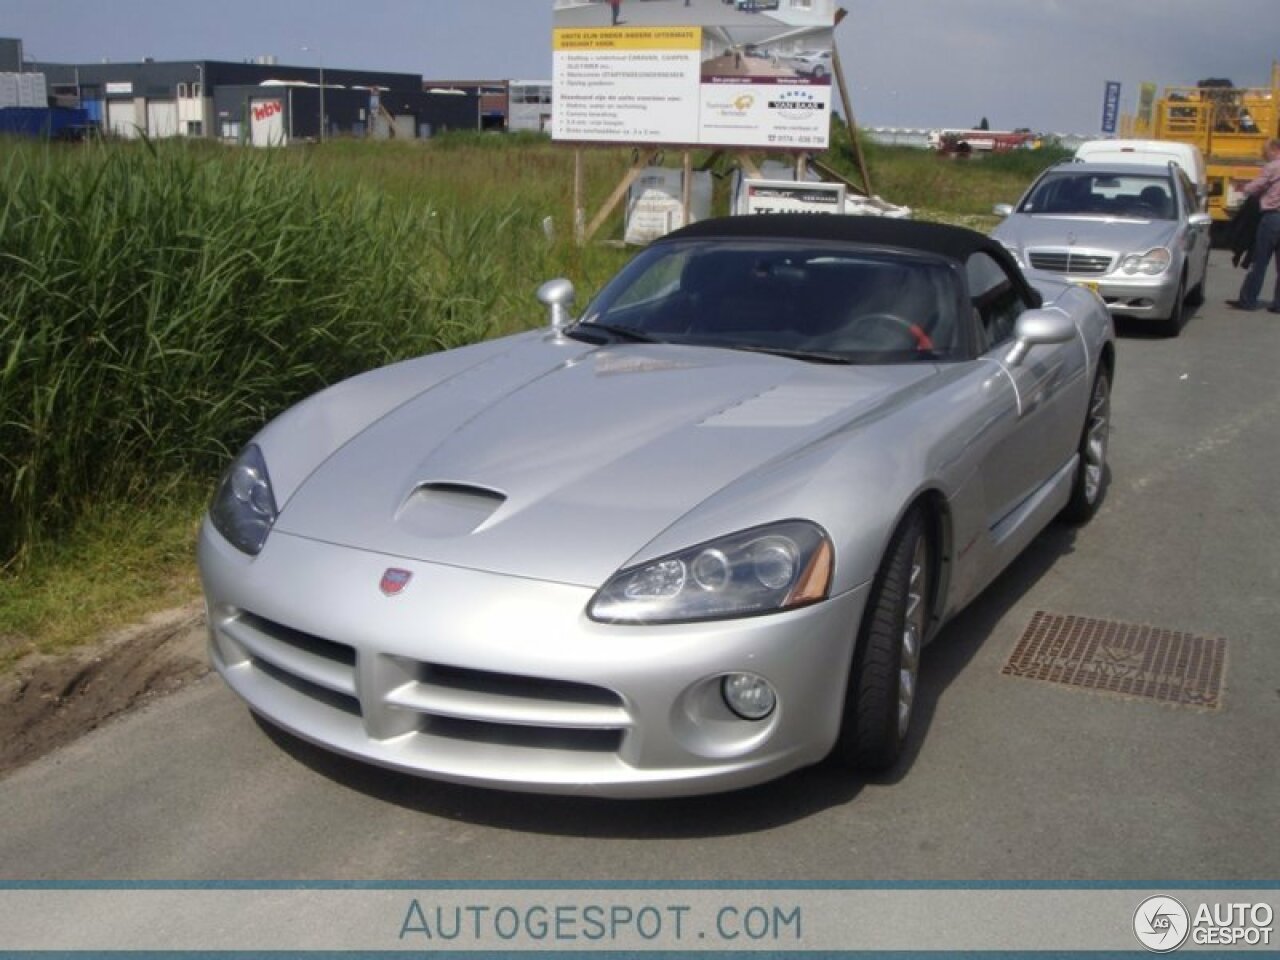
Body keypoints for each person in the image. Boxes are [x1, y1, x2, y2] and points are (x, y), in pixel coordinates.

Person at [1227, 138, 1280, 313]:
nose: (1264, 155)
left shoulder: (1273, 167)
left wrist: (1243, 188)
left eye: (1265, 152)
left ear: (1274, 149)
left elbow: (1257, 186)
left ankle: (1248, 300)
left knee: (1259, 261)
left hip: (1272, 218)